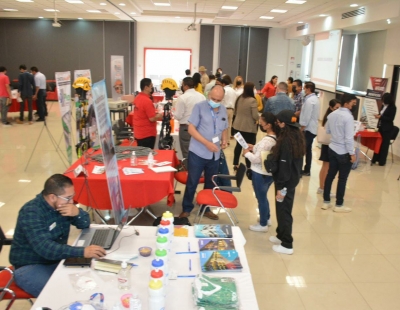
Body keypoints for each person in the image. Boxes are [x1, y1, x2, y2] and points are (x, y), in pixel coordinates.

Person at [9, 174, 106, 297]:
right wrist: (82, 252)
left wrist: (77, 213)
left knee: (90, 282)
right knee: (61, 296)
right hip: (30, 266)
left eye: (73, 197)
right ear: (52, 197)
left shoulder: (63, 206)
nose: (71, 202)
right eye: (68, 197)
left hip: (56, 259)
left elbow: (85, 224)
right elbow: (45, 248)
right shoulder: (31, 212)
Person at [179, 85, 228, 220]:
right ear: (208, 95)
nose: (216, 102)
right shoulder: (199, 107)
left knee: (211, 181)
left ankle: (205, 208)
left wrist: (224, 141)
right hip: (198, 152)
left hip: (215, 154)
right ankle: (187, 208)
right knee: (192, 181)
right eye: (213, 99)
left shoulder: (223, 110)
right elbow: (191, 129)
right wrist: (206, 143)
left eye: (219, 100)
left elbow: (224, 128)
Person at [269, 110, 305, 255]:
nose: (276, 125)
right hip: (292, 179)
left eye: (278, 122)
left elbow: (284, 165)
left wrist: (281, 187)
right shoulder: (297, 137)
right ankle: (280, 234)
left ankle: (287, 243)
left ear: (283, 124)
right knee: (281, 208)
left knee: (284, 210)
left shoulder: (286, 141)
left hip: (285, 182)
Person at [322, 93, 358, 213]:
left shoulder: (332, 114)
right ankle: (339, 205)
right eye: (353, 103)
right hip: (343, 152)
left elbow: (327, 130)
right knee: (342, 179)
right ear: (347, 103)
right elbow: (348, 138)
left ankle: (326, 202)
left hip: (332, 148)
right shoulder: (348, 117)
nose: (353, 106)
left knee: (330, 175)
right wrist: (352, 153)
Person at [243, 112, 277, 232]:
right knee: (263, 197)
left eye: (261, 122)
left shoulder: (266, 141)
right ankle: (266, 218)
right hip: (269, 173)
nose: (260, 124)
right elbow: (263, 153)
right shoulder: (274, 138)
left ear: (268, 125)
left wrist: (247, 153)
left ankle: (262, 224)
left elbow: (257, 159)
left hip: (259, 173)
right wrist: (254, 147)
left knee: (260, 198)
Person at [174, 77, 206, 159]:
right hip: (200, 128)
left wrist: (173, 113)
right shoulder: (202, 97)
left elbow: (178, 115)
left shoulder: (182, 98)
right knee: (199, 151)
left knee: (186, 153)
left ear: (185, 86)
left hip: (186, 128)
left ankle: (189, 170)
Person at [232, 82, 259, 170]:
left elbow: (235, 112)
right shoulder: (252, 100)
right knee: (248, 146)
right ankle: (248, 165)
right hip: (248, 128)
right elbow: (255, 115)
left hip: (237, 126)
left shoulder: (239, 98)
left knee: (239, 145)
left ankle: (235, 164)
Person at [317, 99, 340, 194]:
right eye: (336, 108)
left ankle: (323, 187)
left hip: (330, 144)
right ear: (331, 108)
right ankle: (322, 187)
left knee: (326, 166)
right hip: (328, 144)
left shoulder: (332, 117)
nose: (338, 110)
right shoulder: (330, 118)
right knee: (325, 167)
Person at [132, 78, 163, 148]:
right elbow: (152, 119)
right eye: (151, 86)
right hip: (147, 134)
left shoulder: (137, 98)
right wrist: (159, 115)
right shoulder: (146, 101)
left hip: (138, 132)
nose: (152, 88)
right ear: (146, 87)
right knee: (147, 155)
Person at [299, 81, 320, 176]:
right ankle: (307, 169)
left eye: (304, 88)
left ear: (308, 89)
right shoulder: (314, 99)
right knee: (308, 150)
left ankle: (301, 170)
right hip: (311, 128)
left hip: (308, 129)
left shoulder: (310, 101)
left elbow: (307, 116)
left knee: (303, 150)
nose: (303, 90)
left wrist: (302, 128)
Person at [372, 92, 397, 166]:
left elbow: (390, 118)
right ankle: (375, 159)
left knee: (384, 145)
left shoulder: (393, 107)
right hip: (381, 127)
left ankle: (382, 161)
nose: (382, 102)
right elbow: (382, 114)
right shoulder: (383, 106)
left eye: (384, 100)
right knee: (378, 143)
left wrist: (381, 117)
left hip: (387, 129)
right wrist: (378, 115)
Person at [217, 76, 237, 141]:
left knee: (222, 125)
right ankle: (227, 140)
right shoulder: (233, 90)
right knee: (229, 126)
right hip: (231, 109)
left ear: (223, 84)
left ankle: (223, 140)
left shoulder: (224, 90)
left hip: (224, 109)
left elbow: (221, 99)